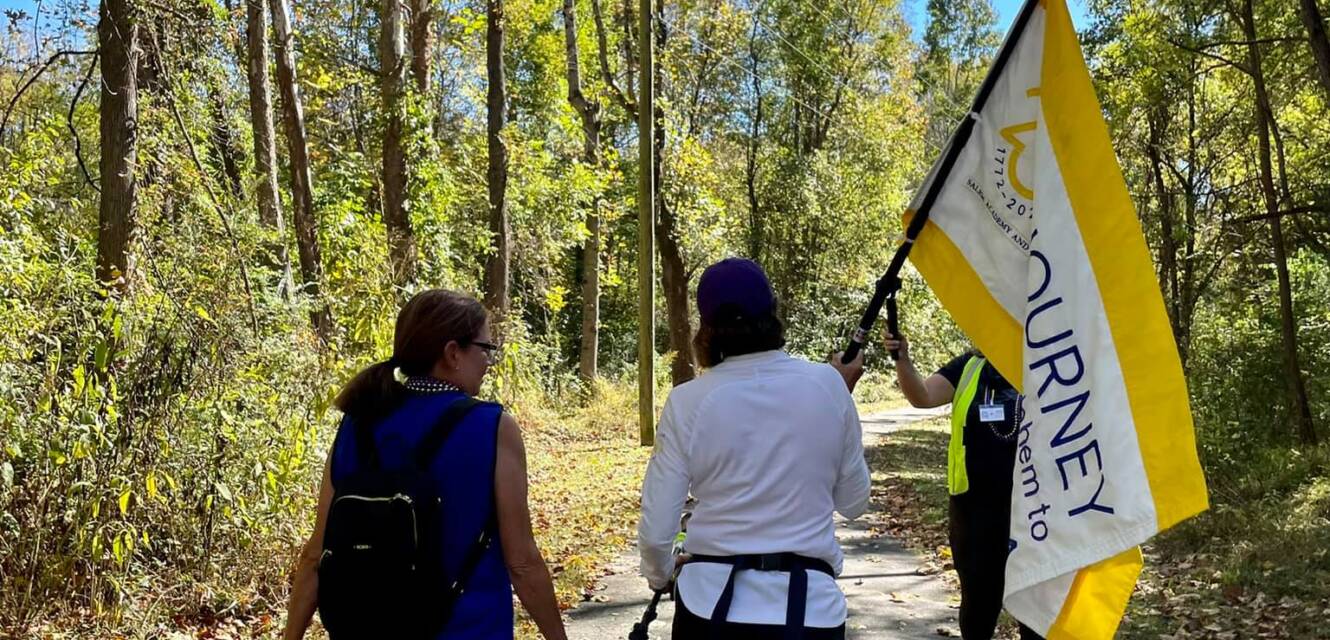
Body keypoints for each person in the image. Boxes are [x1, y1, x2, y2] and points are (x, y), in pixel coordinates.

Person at [282, 289, 567, 640]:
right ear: (452, 353)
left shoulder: (359, 422)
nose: (489, 362)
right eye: (485, 349)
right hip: (469, 629)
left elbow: (316, 555)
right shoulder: (491, 427)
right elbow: (522, 562)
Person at [638, 257, 870, 640]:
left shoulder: (688, 401)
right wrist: (839, 399)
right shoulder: (829, 387)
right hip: (811, 611)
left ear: (706, 329)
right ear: (772, 315)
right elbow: (854, 502)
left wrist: (661, 575)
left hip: (709, 608)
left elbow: (657, 527)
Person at [884, 332, 1041, 640]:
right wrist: (902, 359)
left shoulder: (1043, 368)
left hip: (1036, 514)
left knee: (1035, 611)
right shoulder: (968, 367)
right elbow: (923, 396)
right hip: (975, 515)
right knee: (979, 607)